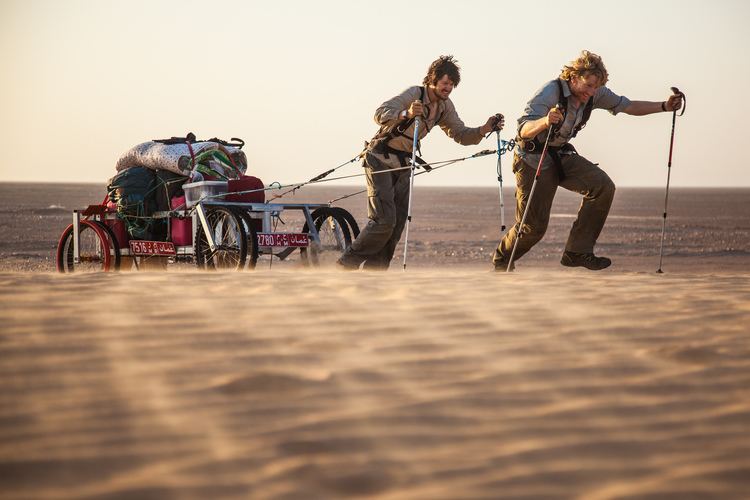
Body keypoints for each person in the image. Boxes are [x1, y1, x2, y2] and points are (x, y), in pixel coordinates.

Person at [492, 50, 683, 271]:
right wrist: (545, 121)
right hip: (533, 159)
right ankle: (502, 260)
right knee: (533, 228)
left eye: (596, 86)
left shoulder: (595, 93)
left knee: (602, 187)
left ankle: (577, 251)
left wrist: (664, 106)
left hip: (561, 155)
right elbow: (523, 129)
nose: (591, 92)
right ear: (574, 77)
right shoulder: (550, 92)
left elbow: (628, 106)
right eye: (588, 85)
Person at [338, 55, 504, 270]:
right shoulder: (414, 94)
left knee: (396, 226)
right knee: (384, 221)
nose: (448, 89)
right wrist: (405, 113)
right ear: (432, 81)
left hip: (404, 164)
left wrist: (485, 129)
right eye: (445, 83)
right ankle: (344, 265)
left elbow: (461, 134)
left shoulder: (444, 106)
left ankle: (375, 273)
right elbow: (380, 113)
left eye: (452, 85)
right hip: (379, 159)